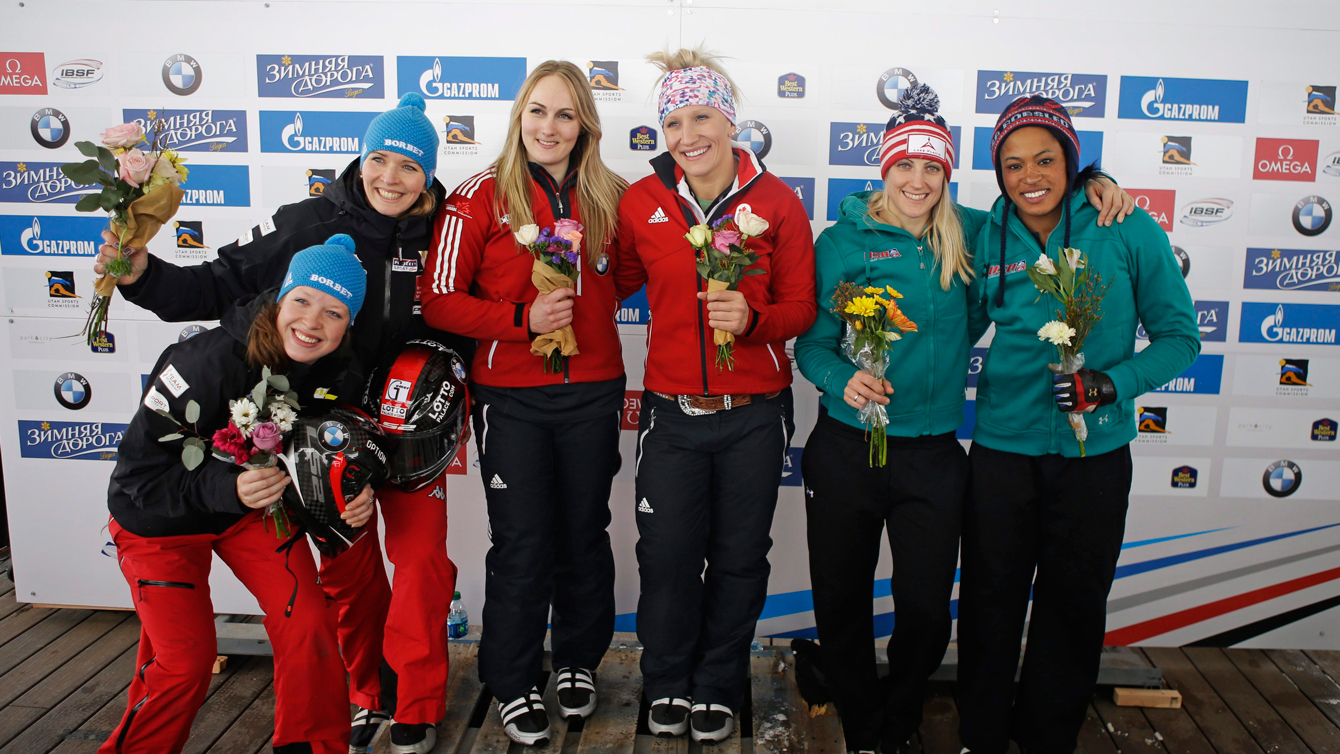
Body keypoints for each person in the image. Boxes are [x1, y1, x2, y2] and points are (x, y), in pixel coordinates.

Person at [94, 94, 458, 754]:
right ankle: (364, 690)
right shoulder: (306, 223)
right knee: (347, 564)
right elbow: (213, 286)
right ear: (360, 158)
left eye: (409, 166)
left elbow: (463, 318)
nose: (390, 178)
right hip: (321, 416)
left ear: (429, 175)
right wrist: (140, 275)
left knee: (424, 558)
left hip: (402, 420)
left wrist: (447, 391)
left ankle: (415, 699)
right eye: (379, 159)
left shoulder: (448, 230)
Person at [793, 86, 1135, 754]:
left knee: (924, 610)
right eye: (903, 167)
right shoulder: (840, 241)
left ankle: (902, 714)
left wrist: (1098, 180)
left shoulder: (976, 232)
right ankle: (866, 728)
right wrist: (841, 377)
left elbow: (1039, 203)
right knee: (840, 597)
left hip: (932, 454)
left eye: (932, 168)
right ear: (884, 171)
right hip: (847, 445)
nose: (916, 181)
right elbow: (811, 343)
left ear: (947, 176)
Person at [957, 96, 1200, 754]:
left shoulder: (1123, 225)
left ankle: (1046, 739)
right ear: (998, 173)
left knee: (1072, 607)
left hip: (1095, 459)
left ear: (1072, 160)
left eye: (1044, 159)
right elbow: (953, 309)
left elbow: (1181, 338)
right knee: (988, 604)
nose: (1028, 175)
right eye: (1012, 164)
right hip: (1002, 452)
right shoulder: (988, 233)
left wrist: (1112, 383)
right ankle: (978, 738)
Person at [420, 60, 628, 747]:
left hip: (592, 393)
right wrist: (521, 323)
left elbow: (624, 275)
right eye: (538, 111)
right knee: (522, 542)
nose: (550, 126)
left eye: (565, 114)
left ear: (585, 126)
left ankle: (575, 662)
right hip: (512, 399)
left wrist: (582, 323)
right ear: (518, 117)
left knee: (583, 533)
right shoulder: (481, 196)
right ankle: (510, 679)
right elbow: (440, 299)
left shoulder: (611, 195)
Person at [612, 47, 816, 743]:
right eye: (673, 122)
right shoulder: (642, 200)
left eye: (701, 117)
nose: (686, 135)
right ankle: (667, 681)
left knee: (738, 556)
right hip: (672, 415)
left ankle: (717, 683)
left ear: (731, 123)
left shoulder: (777, 201)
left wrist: (753, 323)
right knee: (665, 555)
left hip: (755, 417)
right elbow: (610, 281)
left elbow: (802, 307)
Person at [101, 235, 371, 754]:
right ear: (280, 297)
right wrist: (228, 487)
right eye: (302, 301)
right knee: (185, 663)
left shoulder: (339, 368)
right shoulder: (204, 361)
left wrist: (355, 491)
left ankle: (311, 746)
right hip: (159, 523)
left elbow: (336, 450)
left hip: (247, 515)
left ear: (349, 324)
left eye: (334, 312)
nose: (312, 322)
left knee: (310, 620)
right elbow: (138, 482)